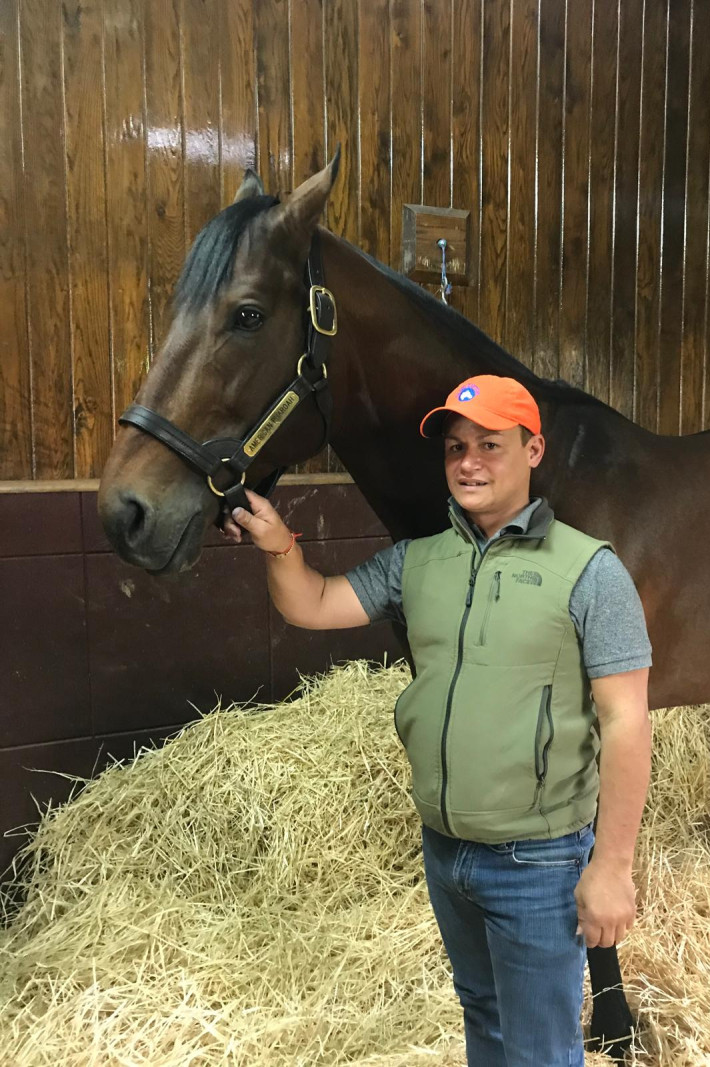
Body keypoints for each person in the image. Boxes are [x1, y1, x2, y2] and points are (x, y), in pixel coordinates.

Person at [223, 374, 652, 1067]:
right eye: (456, 447)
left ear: (533, 449)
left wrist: (613, 866)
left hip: (537, 859)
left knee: (542, 1048)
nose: (469, 463)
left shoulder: (589, 571)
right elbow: (314, 603)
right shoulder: (418, 561)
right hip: (447, 851)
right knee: (483, 1017)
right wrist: (279, 545)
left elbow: (628, 721)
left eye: (490, 444)